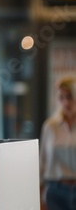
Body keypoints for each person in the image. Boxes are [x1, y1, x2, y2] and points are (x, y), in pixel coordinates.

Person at [40, 76, 76, 210]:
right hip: (56, 191)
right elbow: (42, 161)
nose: (66, 102)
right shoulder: (50, 126)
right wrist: (39, 193)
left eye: (70, 97)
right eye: (61, 98)